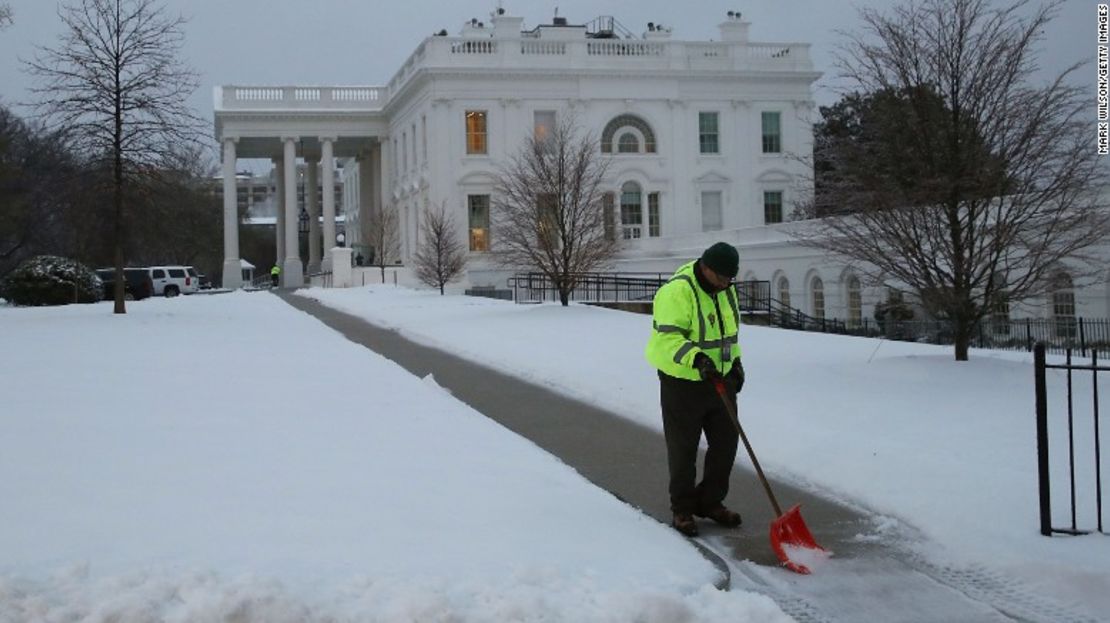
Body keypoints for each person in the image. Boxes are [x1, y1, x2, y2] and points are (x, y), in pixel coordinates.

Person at [644, 241, 746, 537]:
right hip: (682, 382)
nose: (727, 283)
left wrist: (735, 364)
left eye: (731, 278)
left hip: (719, 379)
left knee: (726, 444)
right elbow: (667, 340)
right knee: (683, 448)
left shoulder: (726, 290)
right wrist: (696, 358)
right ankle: (683, 509)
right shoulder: (677, 291)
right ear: (707, 268)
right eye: (722, 277)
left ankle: (710, 502)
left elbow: (729, 335)